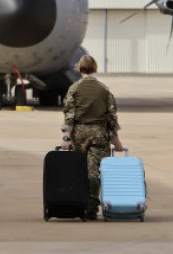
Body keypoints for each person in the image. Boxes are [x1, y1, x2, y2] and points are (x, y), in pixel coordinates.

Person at [60, 55, 124, 221]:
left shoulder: (74, 88)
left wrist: (66, 138)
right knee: (94, 173)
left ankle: (79, 204)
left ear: (80, 68)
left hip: (79, 136)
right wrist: (116, 141)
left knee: (79, 172)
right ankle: (91, 208)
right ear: (94, 68)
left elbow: (69, 116)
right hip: (99, 135)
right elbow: (111, 118)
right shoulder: (104, 90)